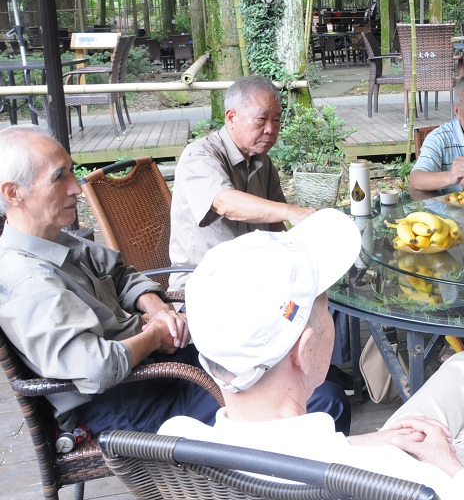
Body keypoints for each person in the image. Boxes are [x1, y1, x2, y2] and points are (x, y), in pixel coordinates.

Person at [160, 208, 464, 500]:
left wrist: (365, 442)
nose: (330, 316)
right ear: (303, 350)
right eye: (325, 306)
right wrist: (450, 465)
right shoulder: (396, 481)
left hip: (333, 454)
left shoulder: (176, 447)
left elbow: (290, 451)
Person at [0, 125, 348, 438]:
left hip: (158, 367)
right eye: (59, 177)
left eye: (71, 172)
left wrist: (156, 308)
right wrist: (154, 335)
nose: (75, 187)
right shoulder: (28, 282)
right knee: (322, 401)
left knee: (297, 364)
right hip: (129, 402)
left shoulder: (54, 238)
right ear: (14, 193)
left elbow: (120, 272)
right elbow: (97, 368)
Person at [168, 74, 316, 284]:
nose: (270, 129)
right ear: (231, 117)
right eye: (261, 119)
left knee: (317, 285)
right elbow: (224, 202)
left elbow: (276, 224)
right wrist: (289, 210)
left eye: (276, 120)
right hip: (203, 282)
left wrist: (295, 255)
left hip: (252, 277)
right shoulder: (199, 155)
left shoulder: (262, 160)